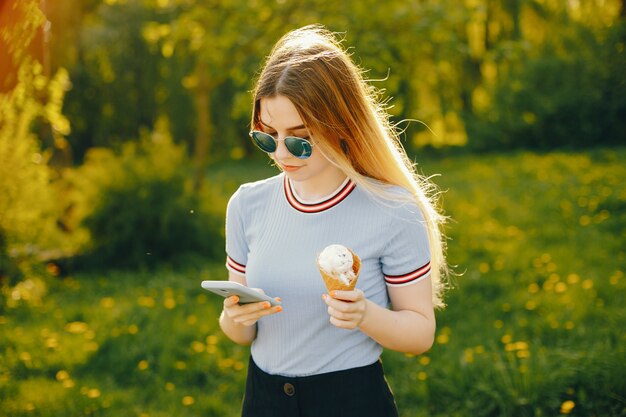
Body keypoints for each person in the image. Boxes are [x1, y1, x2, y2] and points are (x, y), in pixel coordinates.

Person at [219, 24, 448, 417]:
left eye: (298, 138)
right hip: (263, 401)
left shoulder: (391, 209)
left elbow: (420, 334)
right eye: (266, 135)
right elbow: (241, 334)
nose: (280, 153)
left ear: (339, 124)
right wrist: (233, 316)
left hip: (350, 400)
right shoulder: (246, 204)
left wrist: (365, 315)